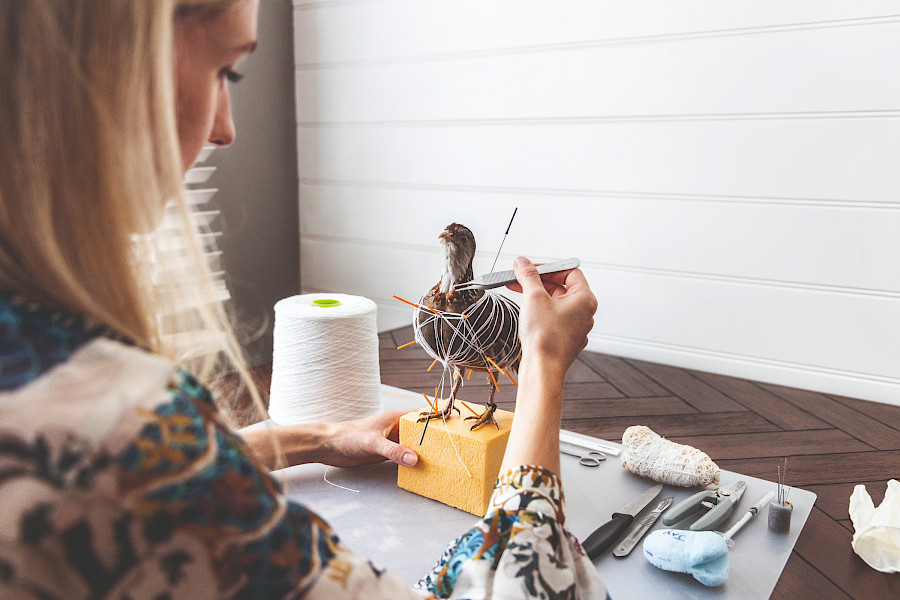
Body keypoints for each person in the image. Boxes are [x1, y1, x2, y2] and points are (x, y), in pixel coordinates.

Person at [0, 1, 606, 598]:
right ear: (107, 68)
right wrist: (543, 366)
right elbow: (531, 586)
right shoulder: (115, 429)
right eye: (225, 72)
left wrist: (305, 439)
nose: (226, 129)